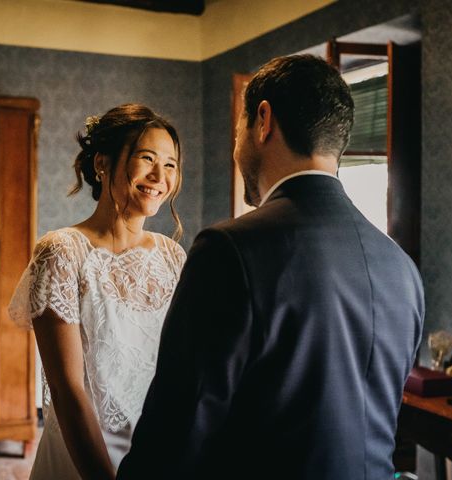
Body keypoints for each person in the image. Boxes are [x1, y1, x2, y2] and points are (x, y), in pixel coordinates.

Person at [117, 55, 425, 480]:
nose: (235, 145)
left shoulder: (229, 250)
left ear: (263, 121)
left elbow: (176, 433)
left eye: (238, 127)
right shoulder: (402, 268)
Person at [8, 103, 186, 479]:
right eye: (147, 158)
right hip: (85, 454)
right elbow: (67, 388)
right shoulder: (62, 251)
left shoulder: (172, 256)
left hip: (157, 446)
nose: (160, 176)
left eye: (170, 164)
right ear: (102, 164)